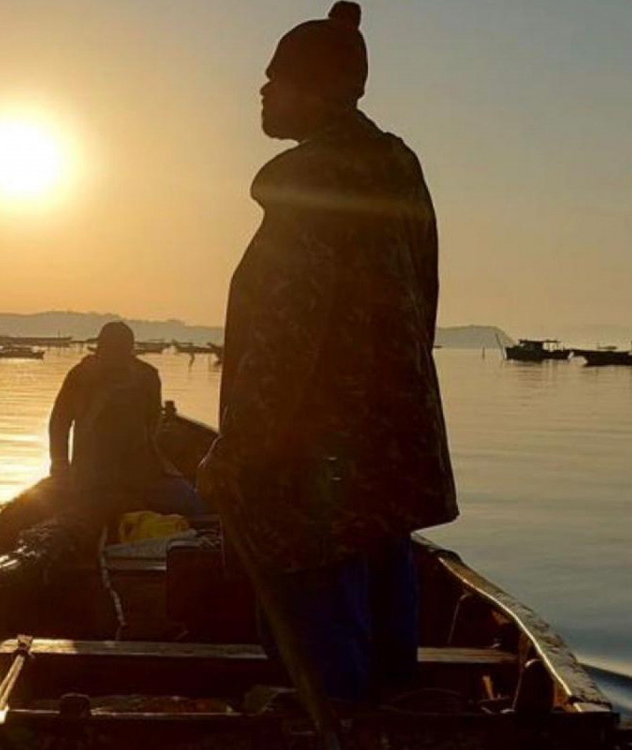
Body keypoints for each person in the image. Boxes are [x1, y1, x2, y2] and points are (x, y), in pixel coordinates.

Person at [196, 2, 458, 701]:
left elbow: (288, 334)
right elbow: (424, 302)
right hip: (393, 456)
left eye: (274, 78)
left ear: (316, 90)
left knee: (323, 664)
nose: (262, 91)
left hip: (311, 470)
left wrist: (239, 450)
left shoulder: (309, 180)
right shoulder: (399, 167)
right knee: (386, 645)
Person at [49, 322, 201, 523]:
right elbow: (59, 423)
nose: (115, 357)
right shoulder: (81, 376)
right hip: (94, 478)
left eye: (121, 350)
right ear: (100, 349)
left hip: (143, 474)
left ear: (130, 350)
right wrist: (61, 468)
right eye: (111, 349)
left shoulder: (147, 376)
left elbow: (153, 422)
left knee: (197, 505)